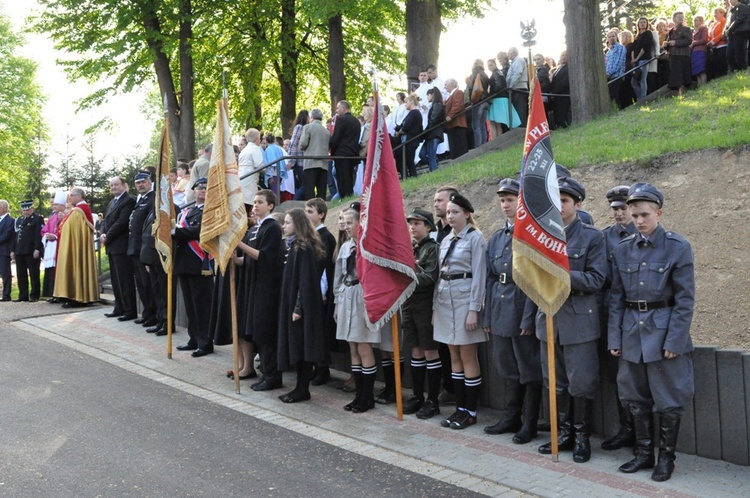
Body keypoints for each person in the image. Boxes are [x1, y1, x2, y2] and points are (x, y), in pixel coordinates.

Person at [609, 183, 695, 482]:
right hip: (631, 332)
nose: (639, 221)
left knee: (669, 399)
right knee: (635, 397)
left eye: (645, 214)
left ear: (659, 213)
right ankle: (643, 454)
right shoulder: (622, 248)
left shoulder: (677, 246)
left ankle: (666, 459)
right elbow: (617, 298)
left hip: (663, 333)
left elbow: (685, 300)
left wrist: (676, 340)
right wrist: (614, 338)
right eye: (634, 215)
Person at [536, 177, 606, 463]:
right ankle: (563, 433)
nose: (560, 206)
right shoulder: (540, 234)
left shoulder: (592, 237)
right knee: (556, 382)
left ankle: (581, 436)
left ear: (577, 204)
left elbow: (597, 278)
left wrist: (562, 274)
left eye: (565, 201)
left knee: (581, 383)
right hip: (549, 319)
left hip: (578, 322)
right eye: (556, 200)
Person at [482, 179, 542, 444]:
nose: (506, 205)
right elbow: (490, 278)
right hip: (500, 307)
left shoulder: (531, 235)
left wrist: (529, 317)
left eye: (510, 199)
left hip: (522, 306)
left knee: (529, 369)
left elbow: (534, 281)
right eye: (502, 200)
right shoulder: (497, 238)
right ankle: (511, 417)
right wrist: (488, 316)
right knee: (507, 366)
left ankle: (529, 422)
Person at [433, 193, 487, 430]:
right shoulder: (446, 240)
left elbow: (480, 276)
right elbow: (440, 275)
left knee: (467, 355)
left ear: (467, 214)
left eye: (455, 212)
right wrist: (435, 307)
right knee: (453, 356)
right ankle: (460, 407)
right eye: (448, 213)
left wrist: (474, 309)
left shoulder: (475, 238)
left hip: (465, 301)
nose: (450, 216)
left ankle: (471, 410)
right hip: (445, 301)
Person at [599, 185, 638, 452]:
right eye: (615, 209)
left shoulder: (643, 234)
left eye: (623, 208)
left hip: (637, 313)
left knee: (638, 379)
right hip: (611, 313)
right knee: (616, 377)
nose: (619, 214)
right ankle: (626, 428)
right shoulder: (605, 238)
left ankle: (642, 434)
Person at [235, 190, 284, 390]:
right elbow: (247, 259)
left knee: (265, 331)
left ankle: (273, 375)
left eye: (260, 202)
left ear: (270, 205)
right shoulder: (256, 229)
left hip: (267, 287)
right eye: (254, 202)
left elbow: (264, 257)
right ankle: (264, 372)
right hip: (252, 285)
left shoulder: (272, 228)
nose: (255, 206)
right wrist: (235, 259)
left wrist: (239, 244)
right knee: (256, 330)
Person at [276, 208, 327, 403]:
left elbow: (304, 281)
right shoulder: (293, 246)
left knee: (302, 346)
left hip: (301, 306)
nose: (284, 226)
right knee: (296, 345)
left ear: (297, 224)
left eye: (287, 223)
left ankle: (302, 389)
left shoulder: (303, 248)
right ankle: (299, 387)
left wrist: (298, 308)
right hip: (291, 302)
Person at [334, 206, 380, 413]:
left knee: (364, 347)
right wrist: (337, 302)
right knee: (353, 347)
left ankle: (367, 396)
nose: (346, 226)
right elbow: (338, 275)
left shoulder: (369, 245)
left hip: (363, 297)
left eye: (350, 222)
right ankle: (358, 393)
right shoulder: (345, 247)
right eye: (344, 223)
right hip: (346, 296)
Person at [401, 208, 441, 419]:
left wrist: (410, 272)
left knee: (429, 351)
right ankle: (417, 396)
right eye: (411, 223)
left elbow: (429, 277)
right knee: (415, 351)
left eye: (418, 223)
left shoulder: (432, 249)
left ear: (428, 227)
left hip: (425, 305)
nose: (413, 227)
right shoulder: (410, 248)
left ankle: (432, 400)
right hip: (409, 305)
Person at [174, 178, 215, 357]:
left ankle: (205, 342)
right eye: (199, 188)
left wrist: (175, 231)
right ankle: (194, 338)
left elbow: (200, 231)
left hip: (200, 264)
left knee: (202, 306)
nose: (202, 190)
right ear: (194, 191)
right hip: (184, 263)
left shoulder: (212, 212)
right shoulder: (186, 212)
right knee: (190, 305)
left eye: (206, 188)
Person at [304, 198, 337, 385]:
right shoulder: (309, 235)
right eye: (306, 211)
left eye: (310, 211)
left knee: (320, 331)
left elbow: (325, 267)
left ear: (321, 214)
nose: (307, 214)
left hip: (320, 290)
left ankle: (323, 368)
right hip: (309, 288)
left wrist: (322, 290)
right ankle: (314, 366)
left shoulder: (326, 237)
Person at [53, 188, 99, 307]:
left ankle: (77, 297)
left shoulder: (79, 210)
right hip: (75, 245)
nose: (70, 198)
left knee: (77, 266)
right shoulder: (77, 210)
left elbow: (74, 230)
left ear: (79, 196)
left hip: (76, 247)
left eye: (72, 195)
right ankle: (77, 296)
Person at [100, 177, 137, 320]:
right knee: (115, 280)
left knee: (124, 279)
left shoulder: (128, 200)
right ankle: (119, 307)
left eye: (116, 184)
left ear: (124, 185)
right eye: (111, 185)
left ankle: (129, 310)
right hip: (111, 246)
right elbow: (105, 221)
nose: (113, 187)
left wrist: (107, 236)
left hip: (121, 245)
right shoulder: (112, 202)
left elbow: (122, 222)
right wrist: (102, 233)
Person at [128, 171, 158, 328]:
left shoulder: (153, 199)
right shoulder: (141, 200)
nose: (140, 185)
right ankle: (147, 313)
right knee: (141, 284)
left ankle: (153, 315)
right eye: (138, 182)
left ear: (150, 182)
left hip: (145, 248)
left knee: (148, 285)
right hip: (135, 248)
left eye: (143, 182)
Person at [11, 200, 44, 302]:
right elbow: (15, 236)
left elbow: (38, 235)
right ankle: (23, 295)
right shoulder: (19, 220)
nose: (25, 212)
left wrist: (37, 249)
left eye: (27, 210)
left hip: (31, 250)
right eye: (23, 210)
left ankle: (34, 295)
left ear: (32, 209)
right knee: (21, 274)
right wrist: (13, 250)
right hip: (19, 251)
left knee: (34, 274)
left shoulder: (37, 219)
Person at [329, 100, 361, 198]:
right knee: (349, 178)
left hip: (341, 154)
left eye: (338, 108)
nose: (337, 110)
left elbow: (336, 137)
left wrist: (331, 148)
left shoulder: (341, 120)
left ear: (344, 108)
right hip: (353, 154)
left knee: (342, 180)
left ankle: (344, 198)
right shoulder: (356, 121)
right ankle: (349, 197)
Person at [40, 191, 67, 301]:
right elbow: (44, 230)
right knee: (51, 271)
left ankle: (59, 295)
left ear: (62, 206)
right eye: (53, 204)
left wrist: (55, 236)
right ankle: (53, 294)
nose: (53, 206)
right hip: (52, 248)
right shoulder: (52, 217)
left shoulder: (65, 215)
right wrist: (46, 235)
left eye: (55, 204)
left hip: (59, 248)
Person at [300, 108, 330, 200]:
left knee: (309, 189)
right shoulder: (326, 131)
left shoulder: (307, 127)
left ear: (311, 117)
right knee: (322, 190)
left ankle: (310, 209)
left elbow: (303, 144)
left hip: (310, 162)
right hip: (323, 163)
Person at [664, 12, 693, 96]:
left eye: (682, 16)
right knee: (676, 76)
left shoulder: (686, 29)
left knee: (683, 75)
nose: (680, 18)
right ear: (673, 19)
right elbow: (668, 45)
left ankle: (683, 94)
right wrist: (665, 45)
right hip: (673, 55)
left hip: (683, 55)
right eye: (678, 17)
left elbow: (689, 41)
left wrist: (676, 42)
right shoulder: (670, 32)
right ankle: (679, 94)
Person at [394, 94, 423, 178]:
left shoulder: (415, 113)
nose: (405, 104)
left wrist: (400, 131)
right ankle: (410, 175)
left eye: (406, 102)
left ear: (411, 102)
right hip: (409, 140)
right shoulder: (412, 113)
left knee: (409, 159)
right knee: (407, 159)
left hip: (411, 140)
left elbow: (406, 126)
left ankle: (412, 175)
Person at [418, 88, 445, 172]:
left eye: (428, 95)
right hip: (430, 134)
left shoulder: (437, 104)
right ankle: (434, 167)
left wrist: (426, 130)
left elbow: (433, 119)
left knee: (431, 155)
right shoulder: (434, 105)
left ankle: (434, 170)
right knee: (422, 154)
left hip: (434, 133)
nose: (427, 97)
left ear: (433, 94)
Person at [238, 129, 263, 208]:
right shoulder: (255, 149)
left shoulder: (244, 150)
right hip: (250, 179)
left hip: (241, 178)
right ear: (256, 139)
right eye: (259, 139)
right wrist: (266, 169)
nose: (260, 141)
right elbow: (259, 165)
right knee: (250, 203)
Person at [468, 59, 490, 147]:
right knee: (482, 125)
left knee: (476, 125)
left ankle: (478, 146)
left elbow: (471, 87)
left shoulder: (475, 73)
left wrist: (471, 100)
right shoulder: (485, 74)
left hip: (478, 101)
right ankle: (484, 144)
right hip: (486, 101)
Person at [444, 79, 468, 160]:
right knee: (453, 145)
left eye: (446, 84)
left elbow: (458, 105)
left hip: (458, 123)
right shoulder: (449, 96)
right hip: (451, 125)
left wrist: (450, 115)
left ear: (451, 84)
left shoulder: (458, 92)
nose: (445, 86)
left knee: (459, 145)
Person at [631, 18, 654, 100]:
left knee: (642, 79)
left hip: (644, 59)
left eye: (644, 22)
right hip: (636, 61)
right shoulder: (637, 35)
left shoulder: (648, 33)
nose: (642, 24)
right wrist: (633, 59)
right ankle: (639, 98)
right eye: (640, 22)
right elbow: (633, 48)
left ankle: (643, 98)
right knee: (633, 81)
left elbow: (645, 47)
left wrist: (637, 58)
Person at [506, 47, 529, 126]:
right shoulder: (514, 62)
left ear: (512, 52)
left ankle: (522, 129)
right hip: (516, 88)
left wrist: (510, 86)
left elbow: (517, 73)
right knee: (518, 110)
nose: (507, 55)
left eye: (508, 53)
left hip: (519, 88)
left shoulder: (518, 60)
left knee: (520, 110)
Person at [725, 0, 750, 71]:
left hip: (740, 33)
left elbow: (739, 19)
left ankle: (742, 69)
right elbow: (727, 22)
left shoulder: (743, 7)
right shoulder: (730, 10)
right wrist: (725, 31)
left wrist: (729, 29)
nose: (729, 1)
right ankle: (737, 68)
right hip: (731, 34)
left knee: (739, 53)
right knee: (729, 55)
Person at [288, 110, 308, 200]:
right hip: (300, 162)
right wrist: (291, 160)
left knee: (304, 185)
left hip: (303, 161)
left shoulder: (305, 128)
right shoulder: (300, 127)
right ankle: (294, 201)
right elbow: (293, 143)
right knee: (305, 185)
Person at [549, 51, 571, 129]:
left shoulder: (568, 67)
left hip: (562, 95)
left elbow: (564, 83)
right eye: (562, 55)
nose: (564, 57)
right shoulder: (558, 68)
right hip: (556, 97)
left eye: (566, 55)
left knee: (562, 114)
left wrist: (554, 92)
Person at [605, 30, 627, 107]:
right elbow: (606, 64)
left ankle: (619, 109)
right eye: (609, 36)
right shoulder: (608, 52)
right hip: (609, 77)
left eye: (613, 36)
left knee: (615, 94)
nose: (611, 38)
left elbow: (619, 63)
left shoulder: (621, 48)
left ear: (616, 37)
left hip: (617, 76)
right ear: (607, 39)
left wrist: (609, 73)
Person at [707, 7, 728, 79]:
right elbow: (709, 35)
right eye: (714, 13)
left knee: (722, 63)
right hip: (713, 48)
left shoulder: (724, 21)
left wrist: (713, 42)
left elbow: (721, 33)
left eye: (716, 13)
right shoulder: (712, 24)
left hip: (722, 45)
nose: (714, 14)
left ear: (722, 13)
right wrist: (709, 43)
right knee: (715, 63)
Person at [0, 200, 15, 302]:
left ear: (4, 208)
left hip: (4, 250)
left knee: (5, 274)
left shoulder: (10, 220)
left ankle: (6, 295)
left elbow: (6, 235)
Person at [692, 15, 709, 87]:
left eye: (696, 20)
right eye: (694, 20)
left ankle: (704, 84)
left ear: (701, 21)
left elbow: (704, 40)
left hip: (700, 50)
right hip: (694, 52)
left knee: (701, 69)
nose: (694, 22)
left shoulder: (704, 28)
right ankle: (699, 85)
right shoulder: (693, 31)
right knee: (696, 71)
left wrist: (694, 43)